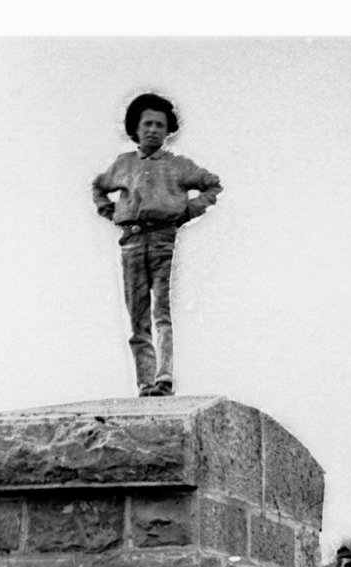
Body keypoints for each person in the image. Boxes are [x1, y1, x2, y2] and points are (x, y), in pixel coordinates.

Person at [91, 93, 222, 398]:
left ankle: (163, 380)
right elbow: (99, 187)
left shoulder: (178, 166)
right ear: (135, 129)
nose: (153, 130)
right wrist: (110, 212)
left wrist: (188, 210)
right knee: (137, 316)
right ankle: (145, 384)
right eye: (147, 124)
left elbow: (213, 184)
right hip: (132, 241)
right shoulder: (123, 165)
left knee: (160, 310)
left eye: (160, 125)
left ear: (168, 130)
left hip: (163, 239)